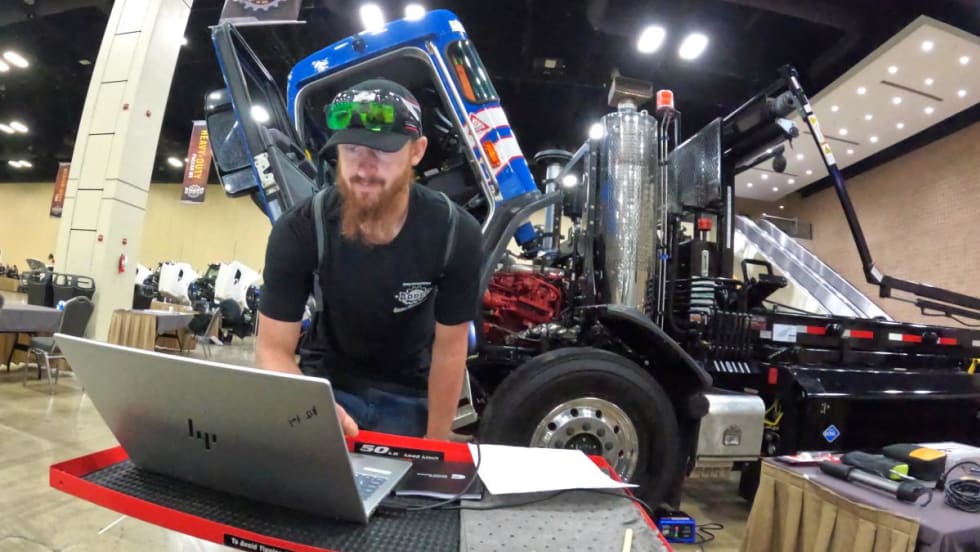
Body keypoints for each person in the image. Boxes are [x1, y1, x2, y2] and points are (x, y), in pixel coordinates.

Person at [255, 79, 482, 440]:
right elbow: (271, 348)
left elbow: (451, 348)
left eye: (383, 151)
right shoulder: (301, 229)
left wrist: (436, 444)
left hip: (408, 393)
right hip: (325, 385)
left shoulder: (455, 234)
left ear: (417, 151)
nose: (363, 168)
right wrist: (313, 407)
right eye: (352, 150)